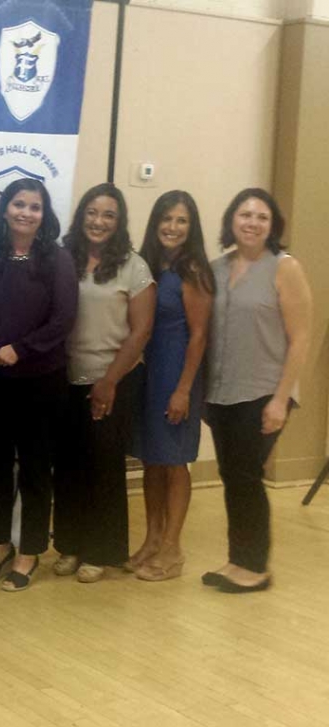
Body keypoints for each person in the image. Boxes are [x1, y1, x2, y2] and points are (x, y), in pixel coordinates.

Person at [201, 188, 312, 593]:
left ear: (273, 226)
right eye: (245, 215)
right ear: (232, 220)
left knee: (247, 475)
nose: (252, 222)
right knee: (231, 475)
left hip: (265, 391)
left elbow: (300, 338)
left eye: (262, 217)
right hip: (221, 392)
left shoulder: (285, 268)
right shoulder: (216, 268)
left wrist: (281, 399)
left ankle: (256, 567)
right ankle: (237, 559)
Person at [0, 179, 77, 591]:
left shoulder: (56, 258)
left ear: (44, 214)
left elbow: (64, 318)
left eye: (35, 207)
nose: (26, 213)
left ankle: (30, 551)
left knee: (35, 469)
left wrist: (21, 348)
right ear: (5, 210)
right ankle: (0, 545)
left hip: (40, 382)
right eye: (19, 204)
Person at [53, 183, 155, 583]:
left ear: (119, 222)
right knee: (68, 467)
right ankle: (71, 545)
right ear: (82, 216)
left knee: (103, 467)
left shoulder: (134, 266)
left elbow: (141, 331)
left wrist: (109, 381)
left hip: (114, 380)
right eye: (92, 212)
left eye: (109, 215)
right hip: (65, 379)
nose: (99, 221)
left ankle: (101, 550)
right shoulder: (64, 259)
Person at [130, 191, 213, 581]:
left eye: (181, 221)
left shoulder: (193, 270)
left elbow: (198, 336)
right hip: (149, 376)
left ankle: (173, 550)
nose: (173, 227)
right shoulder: (147, 265)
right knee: (152, 460)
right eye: (167, 218)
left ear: (191, 227)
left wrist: (182, 389)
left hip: (178, 375)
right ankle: (152, 539)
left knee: (175, 461)